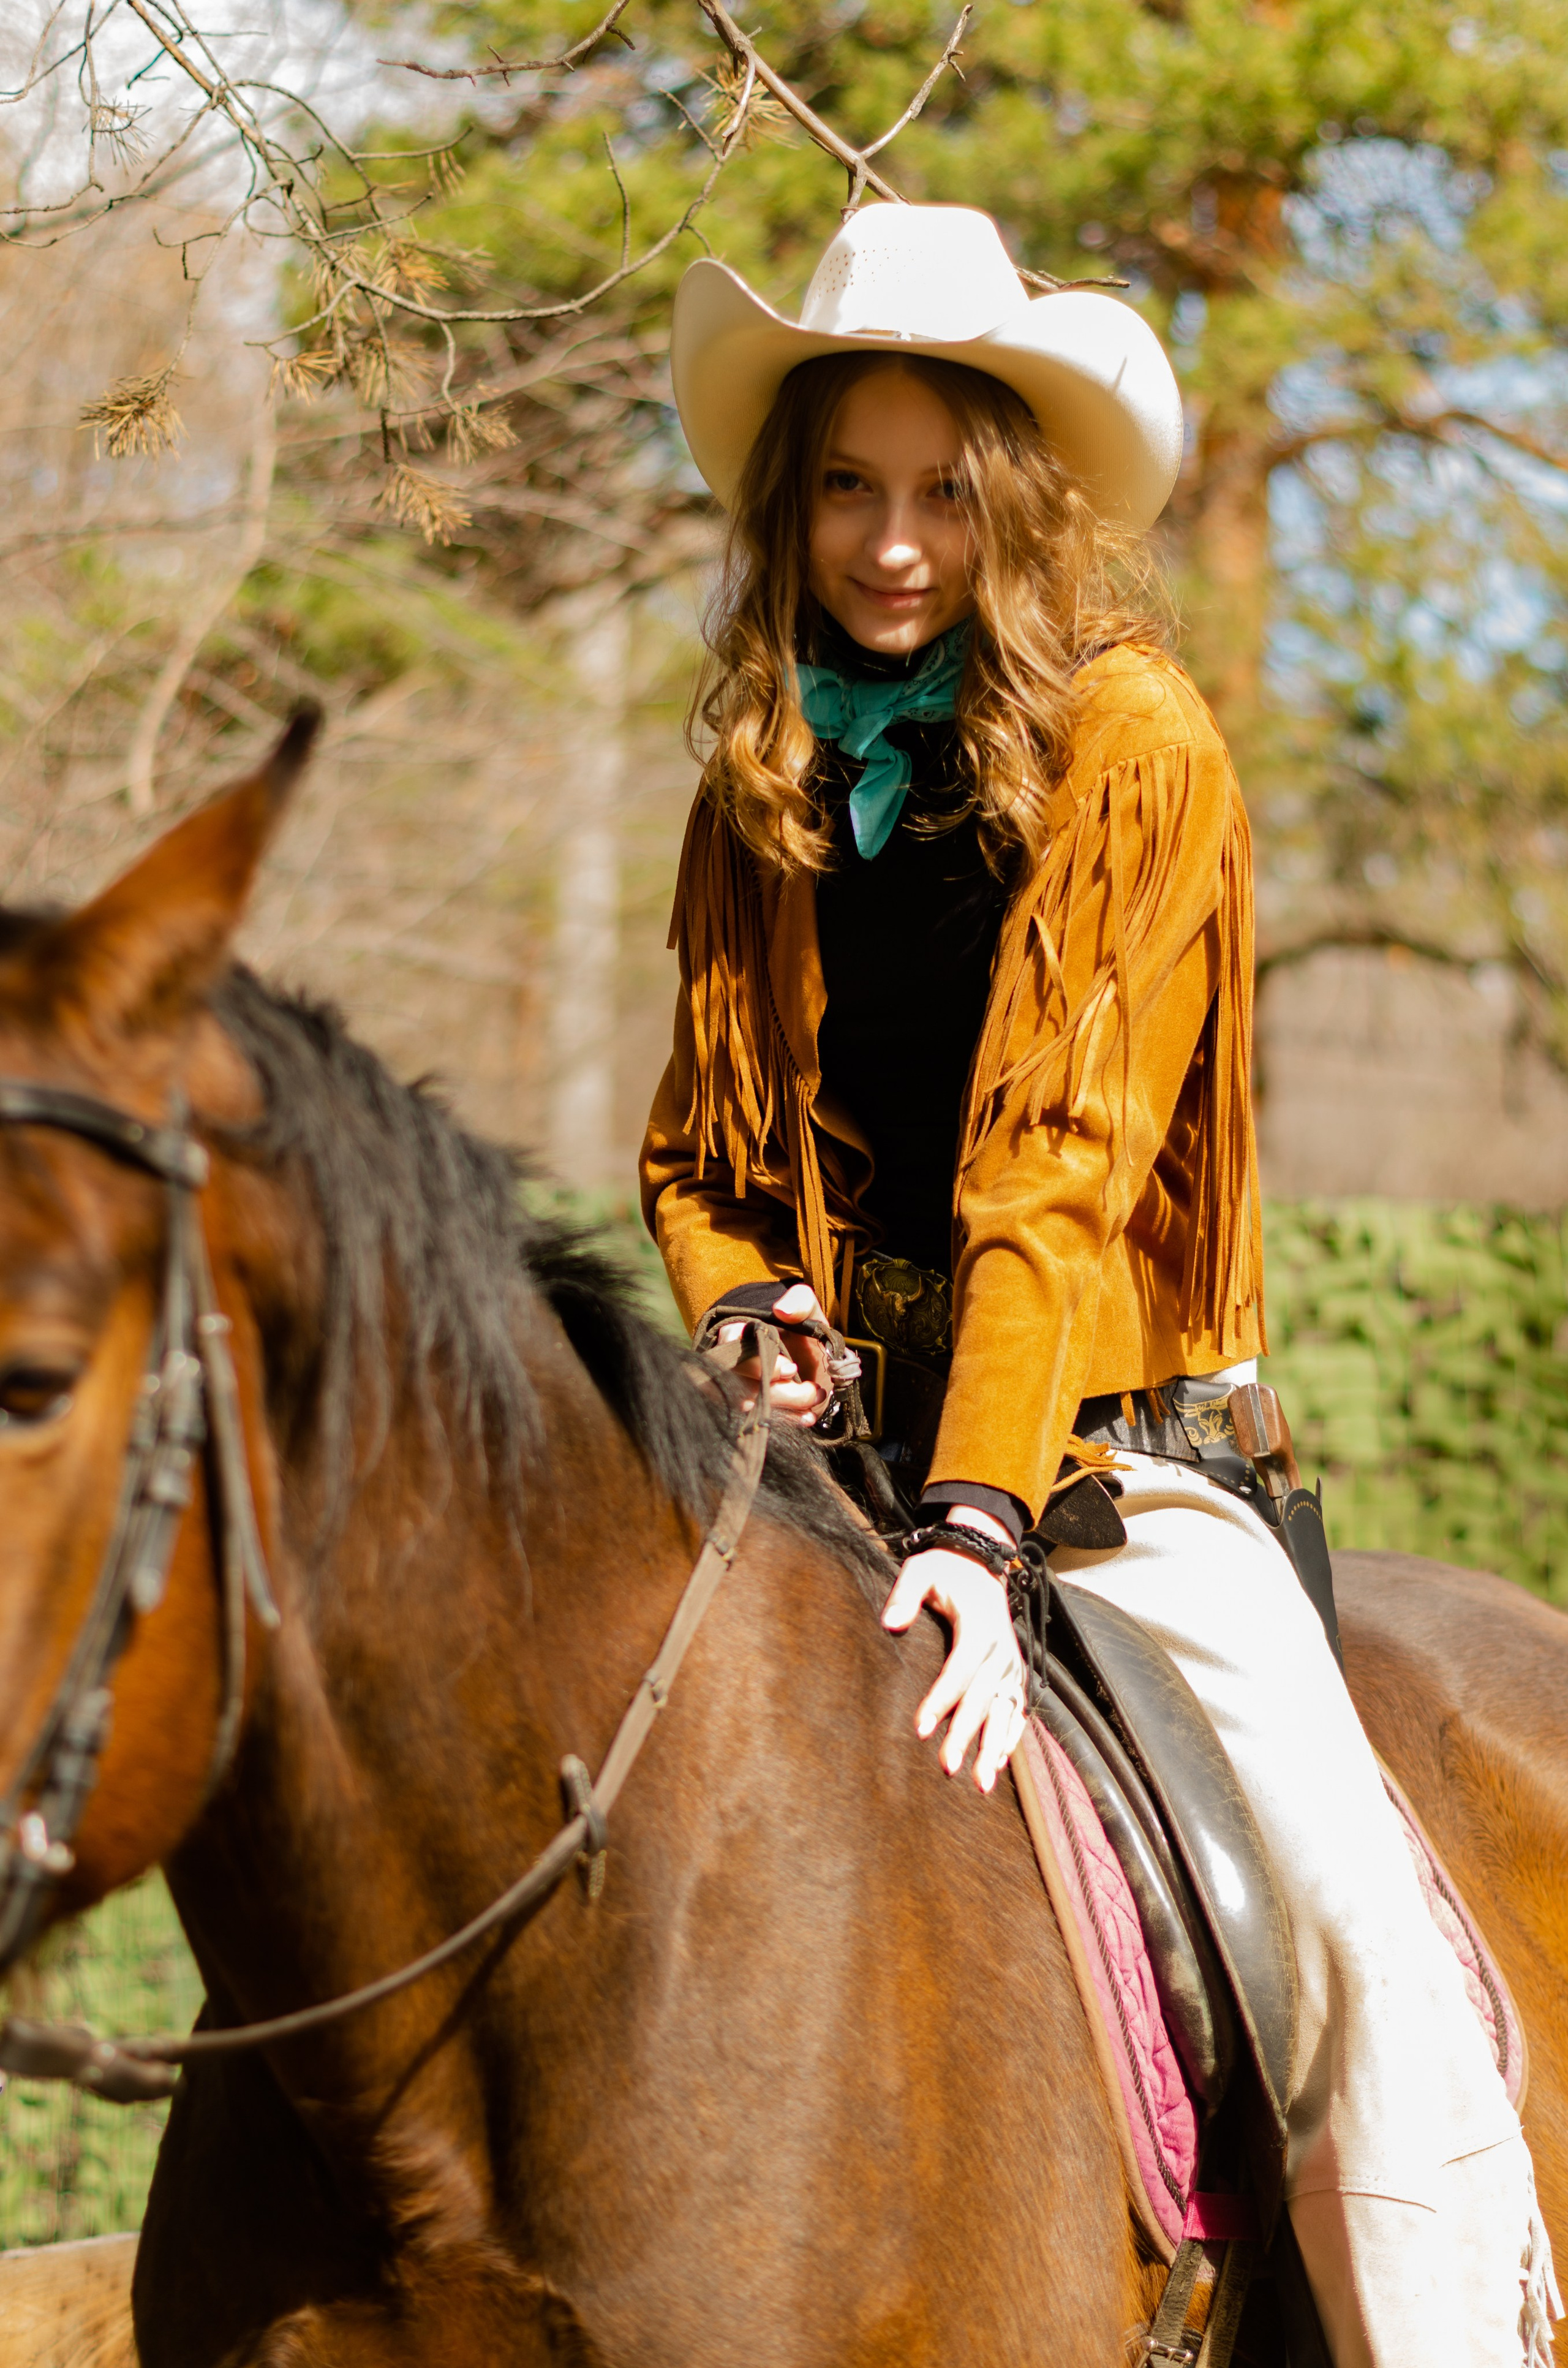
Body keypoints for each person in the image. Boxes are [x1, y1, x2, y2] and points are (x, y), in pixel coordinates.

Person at [640, 202, 1558, 2367]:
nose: (892, 542)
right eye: (850, 489)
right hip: (818, 1443)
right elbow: (696, 1149)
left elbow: (1054, 1179)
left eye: (944, 491)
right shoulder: (756, 777)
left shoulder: (1138, 750)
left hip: (1105, 1468)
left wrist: (966, 1517)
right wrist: (744, 1300)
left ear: (1018, 496)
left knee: (1363, 1960)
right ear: (795, 501)